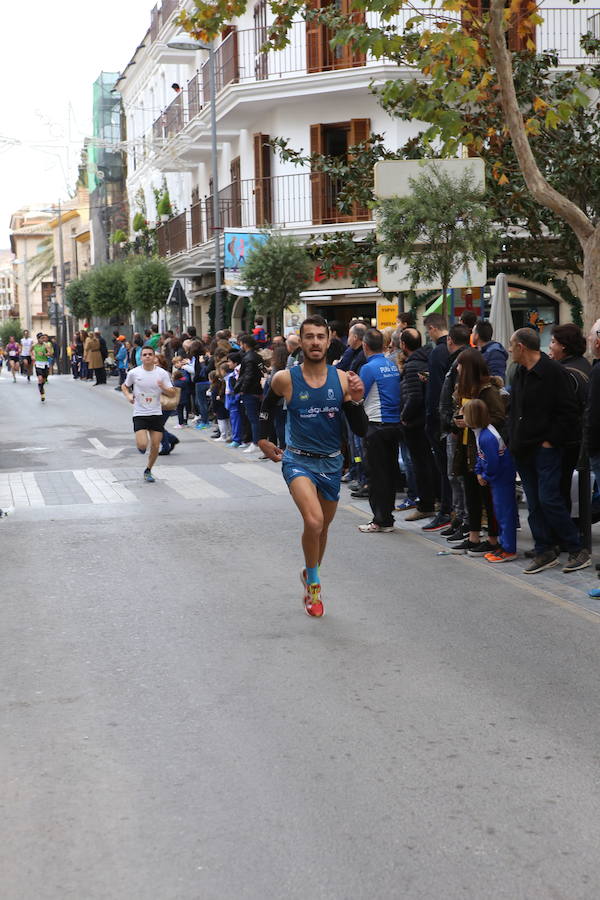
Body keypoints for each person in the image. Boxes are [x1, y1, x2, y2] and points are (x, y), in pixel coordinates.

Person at [258, 315, 368, 617]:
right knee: (315, 521)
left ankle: (309, 572)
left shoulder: (343, 378)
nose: (315, 342)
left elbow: (360, 429)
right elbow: (267, 406)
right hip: (297, 461)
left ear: (329, 339)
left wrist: (356, 401)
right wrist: (263, 439)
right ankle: (315, 586)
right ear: (302, 341)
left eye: (321, 336)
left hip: (332, 463)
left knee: (322, 529)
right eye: (310, 336)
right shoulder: (285, 378)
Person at [508, 327, 590, 574]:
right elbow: (516, 410)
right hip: (523, 449)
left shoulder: (554, 372)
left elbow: (568, 413)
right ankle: (544, 549)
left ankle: (577, 548)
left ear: (521, 347)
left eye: (512, 345)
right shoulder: (520, 372)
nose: (509, 350)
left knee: (548, 498)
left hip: (546, 449)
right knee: (534, 503)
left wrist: (549, 441)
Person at [447, 349, 504, 556]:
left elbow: (499, 418)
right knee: (470, 492)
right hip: (465, 447)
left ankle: (492, 539)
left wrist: (473, 422)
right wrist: (456, 422)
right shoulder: (464, 389)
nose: (458, 368)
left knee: (486, 495)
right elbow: (458, 413)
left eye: (461, 365)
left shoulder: (488, 391)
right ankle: (473, 536)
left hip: (482, 450)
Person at [356, 328, 402, 533]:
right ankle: (387, 518)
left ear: (365, 346)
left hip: (375, 424)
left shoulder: (368, 368)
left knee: (375, 475)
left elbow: (358, 396)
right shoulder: (391, 364)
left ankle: (379, 520)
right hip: (394, 425)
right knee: (389, 473)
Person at [463, 399, 517, 562]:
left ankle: (509, 550)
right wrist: (480, 471)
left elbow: (493, 462)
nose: (461, 417)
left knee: (505, 514)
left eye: (463, 414)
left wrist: (485, 476)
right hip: (499, 477)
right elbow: (482, 457)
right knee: (500, 512)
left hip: (502, 478)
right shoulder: (481, 431)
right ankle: (504, 546)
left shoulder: (487, 436)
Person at [548, 323, 591, 514]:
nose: (550, 346)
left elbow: (563, 411)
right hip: (579, 438)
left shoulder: (565, 373)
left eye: (553, 342)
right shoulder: (584, 365)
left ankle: (565, 537)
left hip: (567, 441)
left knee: (559, 490)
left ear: (563, 346)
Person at [122, 346, 177, 482]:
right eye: (144, 355)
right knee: (142, 445)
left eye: (150, 355)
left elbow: (172, 393)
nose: (147, 357)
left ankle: (148, 470)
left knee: (155, 446)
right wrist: (128, 395)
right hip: (140, 413)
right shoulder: (134, 373)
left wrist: (163, 387)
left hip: (156, 413)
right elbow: (124, 386)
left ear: (154, 357)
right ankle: (141, 447)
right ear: (141, 358)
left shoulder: (162, 373)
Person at [438, 324, 472, 542]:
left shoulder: (464, 360)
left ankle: (466, 521)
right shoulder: (457, 361)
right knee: (454, 476)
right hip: (452, 428)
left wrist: (452, 425)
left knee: (459, 477)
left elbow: (461, 400)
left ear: (450, 339)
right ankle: (459, 518)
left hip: (458, 431)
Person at [399, 328, 435, 520]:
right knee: (428, 462)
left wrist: (404, 416)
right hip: (425, 420)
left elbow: (414, 396)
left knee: (420, 464)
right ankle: (431, 500)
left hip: (415, 423)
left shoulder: (413, 365)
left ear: (403, 345)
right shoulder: (427, 359)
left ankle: (425, 504)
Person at [423, 313, 452, 531]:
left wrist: (432, 419)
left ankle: (446, 510)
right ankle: (451, 510)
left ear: (433, 328)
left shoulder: (437, 353)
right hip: (450, 417)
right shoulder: (452, 351)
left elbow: (436, 391)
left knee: (444, 468)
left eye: (428, 331)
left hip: (439, 419)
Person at [234, 334, 264, 454]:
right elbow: (262, 370)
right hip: (257, 390)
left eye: (240, 343)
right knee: (255, 417)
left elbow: (248, 376)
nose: (240, 346)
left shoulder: (248, 358)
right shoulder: (257, 356)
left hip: (250, 391)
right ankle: (257, 441)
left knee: (253, 417)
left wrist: (243, 389)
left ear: (244, 344)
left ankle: (256, 442)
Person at [32, 333, 51, 401]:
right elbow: (30, 351)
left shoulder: (46, 345)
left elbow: (50, 353)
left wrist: (44, 354)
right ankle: (42, 394)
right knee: (40, 379)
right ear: (38, 339)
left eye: (43, 338)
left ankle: (41, 387)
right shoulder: (34, 345)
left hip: (45, 364)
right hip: (38, 364)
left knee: (44, 379)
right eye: (41, 338)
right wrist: (33, 356)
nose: (43, 339)